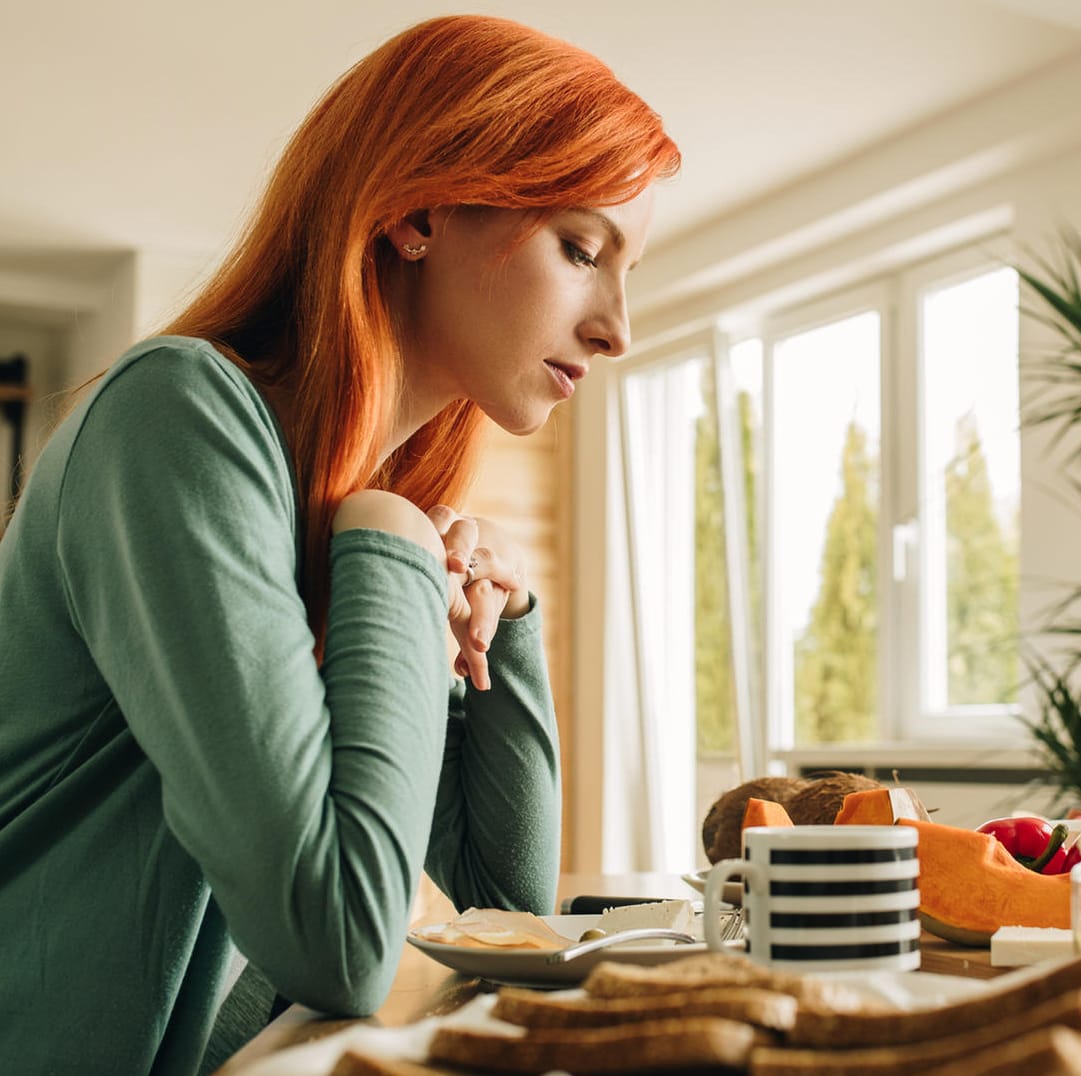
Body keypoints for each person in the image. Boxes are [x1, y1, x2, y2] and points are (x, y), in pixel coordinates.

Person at [0, 15, 679, 1074]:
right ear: (417, 211)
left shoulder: (353, 508)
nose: (617, 327)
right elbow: (340, 940)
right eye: (581, 249)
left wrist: (509, 625)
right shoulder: (178, 419)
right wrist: (394, 539)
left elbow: (504, 915)